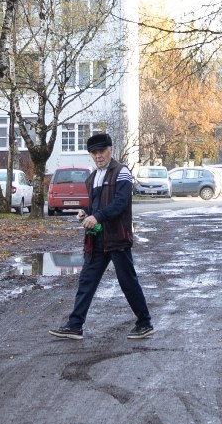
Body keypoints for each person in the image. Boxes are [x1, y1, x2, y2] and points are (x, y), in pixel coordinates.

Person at [51, 130, 153, 340]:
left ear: (111, 150)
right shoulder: (92, 177)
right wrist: (85, 212)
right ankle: (75, 325)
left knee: (127, 282)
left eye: (102, 151)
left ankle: (145, 323)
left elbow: (120, 203)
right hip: (96, 239)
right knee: (86, 281)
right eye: (94, 153)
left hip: (117, 238)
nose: (98, 156)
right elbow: (96, 205)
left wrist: (97, 217)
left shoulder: (122, 172)